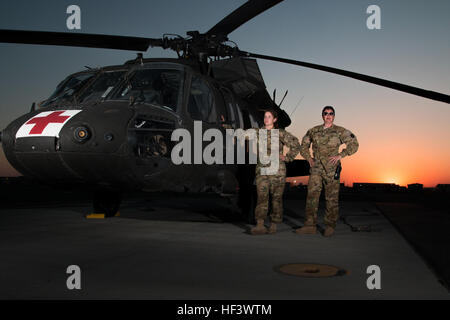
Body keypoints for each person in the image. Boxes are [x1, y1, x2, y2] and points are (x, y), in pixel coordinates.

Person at [295, 106, 359, 237]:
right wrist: (309, 159)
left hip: (331, 168)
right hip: (316, 168)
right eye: (326, 113)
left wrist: (341, 155)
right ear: (322, 115)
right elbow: (303, 146)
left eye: (331, 113)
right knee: (312, 197)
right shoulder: (313, 131)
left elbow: (354, 144)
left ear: (334, 116)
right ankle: (309, 225)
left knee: (331, 198)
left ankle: (330, 226)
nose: (328, 115)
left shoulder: (340, 131)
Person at [250, 109, 301, 235]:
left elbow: (296, 144)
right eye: (265, 116)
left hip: (278, 171)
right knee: (262, 197)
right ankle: (260, 225)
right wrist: (226, 126)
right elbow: (240, 133)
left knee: (276, 199)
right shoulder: (258, 132)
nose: (266, 119)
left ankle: (273, 225)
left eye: (269, 116)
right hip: (262, 171)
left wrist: (287, 157)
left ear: (274, 119)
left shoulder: (281, 134)